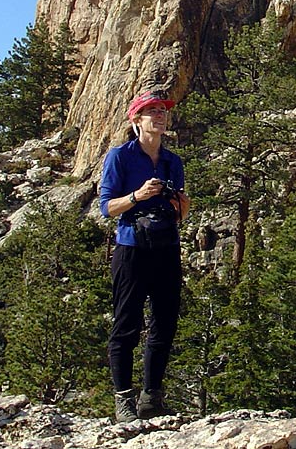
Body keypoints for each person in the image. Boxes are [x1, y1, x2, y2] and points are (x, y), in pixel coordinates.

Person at [99, 91, 190, 423]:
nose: (159, 116)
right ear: (136, 120)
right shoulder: (119, 157)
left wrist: (180, 204)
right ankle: (123, 400)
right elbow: (107, 208)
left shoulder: (172, 162)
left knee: (164, 324)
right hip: (131, 248)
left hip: (165, 245)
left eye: (162, 112)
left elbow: (180, 213)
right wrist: (137, 196)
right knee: (126, 325)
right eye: (151, 112)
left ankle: (152, 397)